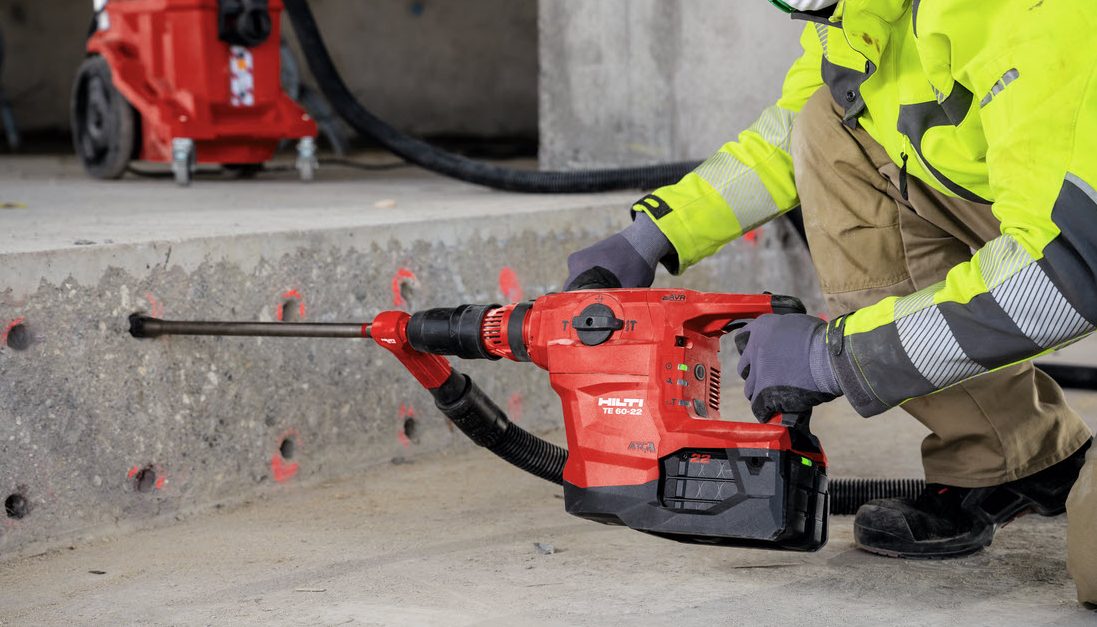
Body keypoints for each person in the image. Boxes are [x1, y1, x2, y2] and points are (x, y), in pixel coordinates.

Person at [563, 0, 1097, 605]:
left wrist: (838, 357)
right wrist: (657, 234)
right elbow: (788, 133)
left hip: (1077, 248)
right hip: (1042, 211)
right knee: (827, 123)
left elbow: (1066, 276)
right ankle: (1013, 455)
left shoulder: (1030, 13)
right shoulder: (862, 11)